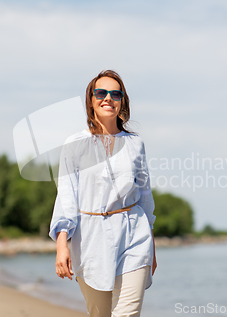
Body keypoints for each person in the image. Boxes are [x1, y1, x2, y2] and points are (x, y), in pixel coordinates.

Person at [49, 69, 157, 317]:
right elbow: (66, 195)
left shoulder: (135, 144)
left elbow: (145, 197)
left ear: (122, 102)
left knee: (127, 314)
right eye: (101, 92)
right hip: (89, 238)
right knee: (100, 313)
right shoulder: (74, 144)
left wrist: (152, 246)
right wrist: (62, 245)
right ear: (91, 100)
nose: (108, 98)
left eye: (115, 94)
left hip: (134, 235)